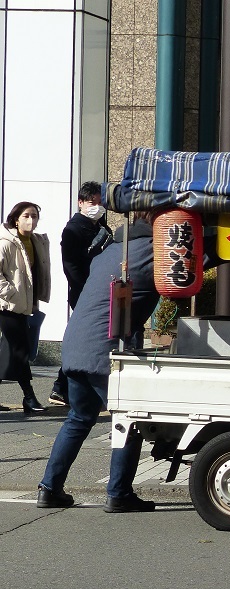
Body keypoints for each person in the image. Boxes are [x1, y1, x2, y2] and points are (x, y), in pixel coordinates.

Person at [37, 211, 160, 512]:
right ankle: (118, 493)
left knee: (79, 418)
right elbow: (188, 271)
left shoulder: (112, 249)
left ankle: (49, 489)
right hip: (104, 351)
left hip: (75, 346)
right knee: (128, 421)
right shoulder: (151, 253)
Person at [49, 181, 110, 406]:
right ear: (80, 203)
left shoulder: (101, 226)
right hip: (85, 292)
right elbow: (71, 266)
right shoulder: (73, 229)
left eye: (100, 202)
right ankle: (60, 387)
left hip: (99, 291)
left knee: (84, 339)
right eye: (92, 202)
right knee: (81, 339)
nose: (96, 206)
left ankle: (61, 387)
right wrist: (85, 289)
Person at [0, 201, 51, 413]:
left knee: (8, 352)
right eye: (27, 216)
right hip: (6, 305)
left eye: (34, 216)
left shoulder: (36, 241)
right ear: (16, 218)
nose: (31, 220)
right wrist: (9, 293)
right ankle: (29, 397)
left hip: (24, 305)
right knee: (20, 350)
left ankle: (28, 398)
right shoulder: (7, 242)